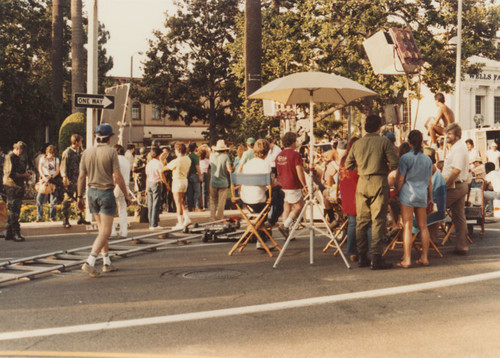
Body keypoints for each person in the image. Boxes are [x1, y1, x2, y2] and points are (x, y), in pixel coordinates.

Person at [346, 114, 399, 270]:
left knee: (361, 221)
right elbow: (395, 163)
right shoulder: (383, 141)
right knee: (377, 220)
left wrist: (362, 169)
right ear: (379, 126)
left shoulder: (357, 143)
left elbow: (348, 164)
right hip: (378, 181)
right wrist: (383, 169)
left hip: (362, 182)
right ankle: (376, 257)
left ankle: (362, 256)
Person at [77, 124, 131, 277]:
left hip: (91, 192)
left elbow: (81, 177)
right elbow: (118, 176)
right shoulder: (111, 152)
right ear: (110, 137)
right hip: (106, 192)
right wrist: (126, 195)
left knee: (102, 230)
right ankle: (90, 261)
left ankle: (106, 261)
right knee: (106, 231)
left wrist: (79, 197)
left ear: (95, 136)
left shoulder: (86, 153)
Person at [395, 130, 433, 268]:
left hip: (408, 194)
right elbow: (429, 181)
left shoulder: (405, 158)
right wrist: (431, 197)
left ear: (409, 141)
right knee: (423, 226)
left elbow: (401, 179)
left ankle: (407, 258)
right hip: (422, 194)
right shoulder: (428, 159)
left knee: (407, 226)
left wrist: (398, 191)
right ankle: (424, 257)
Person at [241, 138, 284, 249]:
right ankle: (271, 221)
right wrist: (277, 183)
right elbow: (270, 185)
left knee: (261, 210)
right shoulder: (265, 165)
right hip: (259, 199)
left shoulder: (247, 165)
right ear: (267, 152)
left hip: (246, 199)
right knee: (279, 193)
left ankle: (261, 240)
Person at [442, 123, 470, 255]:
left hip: (455, 186)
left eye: (449, 133)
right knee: (459, 216)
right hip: (458, 185)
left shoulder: (459, 148)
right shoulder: (457, 147)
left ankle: (431, 240)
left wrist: (446, 184)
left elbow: (456, 170)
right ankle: (462, 246)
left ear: (457, 135)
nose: (446, 135)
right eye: (446, 133)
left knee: (435, 209)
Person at [275, 132, 307, 238]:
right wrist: (305, 185)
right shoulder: (296, 155)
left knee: (287, 208)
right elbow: (299, 172)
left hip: (282, 184)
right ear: (293, 142)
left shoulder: (279, 156)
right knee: (299, 207)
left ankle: (287, 233)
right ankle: (285, 225)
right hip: (292, 184)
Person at [338, 136, 361, 262]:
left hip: (346, 194)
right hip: (355, 193)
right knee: (357, 223)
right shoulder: (357, 160)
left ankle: (352, 251)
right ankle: (355, 250)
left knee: (352, 223)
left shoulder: (343, 159)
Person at [3, 141, 30, 241]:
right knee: (14, 210)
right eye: (21, 152)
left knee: (14, 209)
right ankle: (15, 232)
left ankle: (9, 232)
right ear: (17, 149)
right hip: (12, 186)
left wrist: (25, 174)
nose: (22, 154)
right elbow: (11, 174)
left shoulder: (18, 158)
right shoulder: (10, 157)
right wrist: (24, 175)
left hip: (18, 186)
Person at [60, 134, 89, 228]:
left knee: (79, 197)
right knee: (67, 199)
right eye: (80, 141)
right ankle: (65, 219)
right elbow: (63, 166)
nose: (81, 143)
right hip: (71, 180)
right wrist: (64, 177)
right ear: (76, 142)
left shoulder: (78, 152)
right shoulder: (67, 152)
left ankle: (80, 217)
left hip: (78, 179)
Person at [164, 143, 192, 230]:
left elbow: (165, 168)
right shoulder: (188, 159)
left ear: (178, 151)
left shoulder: (176, 161)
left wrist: (162, 159)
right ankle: (186, 218)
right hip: (185, 180)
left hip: (177, 181)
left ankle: (180, 223)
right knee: (182, 201)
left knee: (178, 203)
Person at [209, 140, 233, 221]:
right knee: (221, 202)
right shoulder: (226, 157)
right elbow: (229, 169)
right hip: (223, 182)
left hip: (213, 181)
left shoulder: (211, 156)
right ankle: (219, 218)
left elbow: (210, 166)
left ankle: (212, 217)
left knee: (212, 200)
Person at [36, 145, 60, 223]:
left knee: (53, 199)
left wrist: (52, 177)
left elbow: (57, 170)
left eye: (53, 153)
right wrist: (44, 177)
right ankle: (39, 216)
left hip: (53, 178)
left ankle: (52, 216)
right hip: (44, 178)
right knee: (40, 198)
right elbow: (40, 168)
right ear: (47, 153)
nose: (51, 155)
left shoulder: (56, 159)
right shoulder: (43, 158)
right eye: (50, 153)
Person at [111, 145, 131, 238]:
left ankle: (112, 231)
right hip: (125, 186)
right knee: (123, 209)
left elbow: (115, 175)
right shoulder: (126, 160)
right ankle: (124, 232)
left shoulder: (116, 160)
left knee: (110, 209)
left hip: (116, 186)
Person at [146, 147, 167, 230]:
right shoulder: (158, 163)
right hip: (156, 183)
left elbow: (147, 176)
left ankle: (151, 223)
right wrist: (166, 184)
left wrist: (146, 188)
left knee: (150, 204)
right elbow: (161, 174)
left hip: (149, 183)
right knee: (156, 204)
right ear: (159, 155)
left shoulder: (149, 163)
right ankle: (154, 224)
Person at [186, 143, 203, 212]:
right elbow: (197, 166)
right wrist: (200, 175)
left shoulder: (187, 156)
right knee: (197, 191)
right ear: (195, 148)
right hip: (194, 174)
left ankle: (190, 207)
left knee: (189, 192)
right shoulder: (195, 156)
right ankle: (196, 206)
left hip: (188, 175)